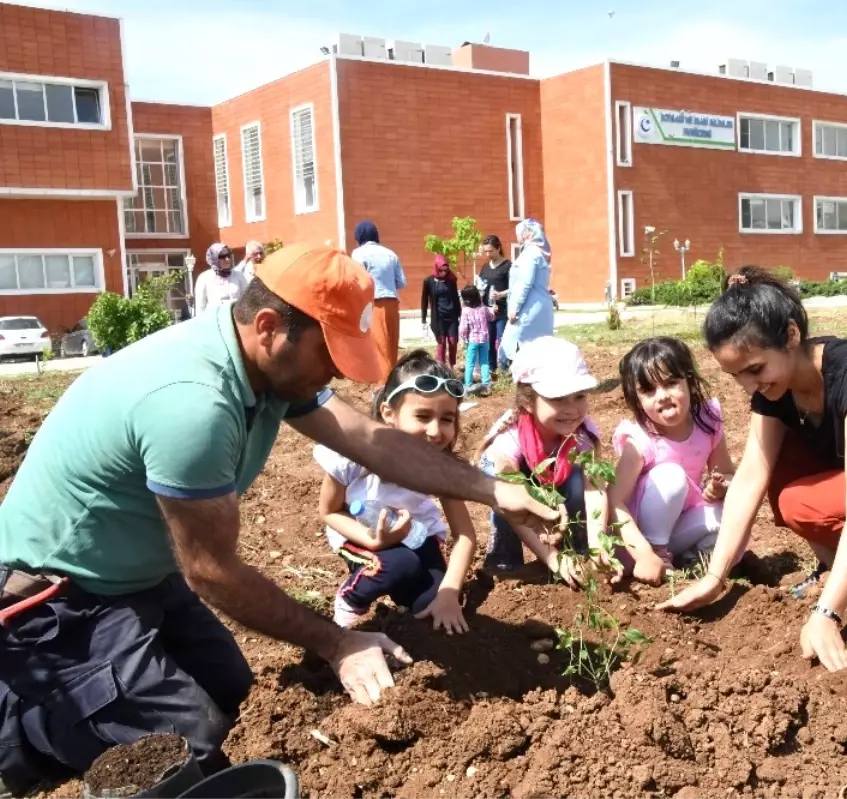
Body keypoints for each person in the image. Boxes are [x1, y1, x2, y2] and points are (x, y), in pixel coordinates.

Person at [0, 244, 558, 796]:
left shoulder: (264, 368)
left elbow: (372, 442)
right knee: (187, 749)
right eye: (330, 351)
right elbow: (212, 572)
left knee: (235, 695)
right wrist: (338, 643)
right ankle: (22, 728)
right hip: (56, 600)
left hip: (139, 573)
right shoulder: (194, 405)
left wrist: (490, 489)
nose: (339, 369)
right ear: (268, 326)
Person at [657, 267, 847, 674]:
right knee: (779, 468)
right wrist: (715, 576)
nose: (749, 386)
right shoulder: (778, 388)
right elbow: (750, 476)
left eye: (755, 369)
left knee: (802, 502)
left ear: (792, 335)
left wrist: (828, 613)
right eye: (736, 376)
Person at [317, 350, 477, 632]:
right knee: (399, 563)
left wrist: (449, 593)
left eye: (447, 419)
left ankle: (405, 598)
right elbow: (329, 511)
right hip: (363, 533)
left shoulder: (442, 469)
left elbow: (464, 535)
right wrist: (375, 540)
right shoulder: (354, 455)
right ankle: (350, 600)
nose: (435, 431)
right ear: (389, 414)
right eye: (423, 416)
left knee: (432, 604)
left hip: (417, 536)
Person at [479, 337, 615, 586]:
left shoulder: (581, 433)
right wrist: (551, 558)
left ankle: (579, 549)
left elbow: (594, 489)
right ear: (527, 402)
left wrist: (598, 542)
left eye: (579, 396)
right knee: (502, 502)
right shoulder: (511, 436)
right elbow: (512, 502)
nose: (572, 409)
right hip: (510, 484)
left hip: (554, 476)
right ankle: (504, 556)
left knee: (577, 483)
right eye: (559, 398)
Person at [610, 337, 734, 582]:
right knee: (671, 476)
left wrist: (721, 487)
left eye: (671, 383)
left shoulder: (707, 423)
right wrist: (644, 554)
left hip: (681, 527)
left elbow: (727, 472)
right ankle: (658, 556)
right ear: (636, 399)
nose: (662, 396)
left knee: (733, 516)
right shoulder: (640, 441)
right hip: (637, 543)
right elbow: (614, 502)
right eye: (649, 390)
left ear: (689, 380)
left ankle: (690, 560)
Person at [351, 221, 406, 372]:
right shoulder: (391, 254)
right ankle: (392, 382)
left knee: (378, 347)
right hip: (392, 303)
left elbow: (357, 281)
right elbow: (401, 282)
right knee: (391, 345)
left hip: (373, 304)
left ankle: (381, 386)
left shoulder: (358, 254)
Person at [499, 219, 555, 362]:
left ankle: (524, 381)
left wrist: (514, 309)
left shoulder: (530, 254)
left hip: (529, 308)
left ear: (526, 234)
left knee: (509, 350)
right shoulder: (540, 254)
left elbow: (525, 283)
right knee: (538, 350)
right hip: (541, 307)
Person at [477, 235, 512, 372]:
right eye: (485, 251)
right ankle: (491, 368)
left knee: (502, 339)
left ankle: (506, 366)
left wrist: (501, 294)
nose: (488, 254)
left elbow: (515, 287)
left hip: (502, 310)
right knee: (489, 340)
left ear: (498, 248)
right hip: (488, 310)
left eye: (490, 251)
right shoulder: (485, 267)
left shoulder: (508, 266)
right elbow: (481, 284)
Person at [421, 255, 461, 368]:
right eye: (441, 270)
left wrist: (460, 314)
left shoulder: (451, 280)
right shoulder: (429, 281)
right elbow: (424, 300)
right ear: (436, 268)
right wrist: (423, 318)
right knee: (441, 342)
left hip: (452, 316)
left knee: (453, 342)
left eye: (446, 270)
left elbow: (455, 298)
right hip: (438, 317)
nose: (443, 272)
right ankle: (441, 367)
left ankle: (452, 365)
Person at [459, 285, 495, 396]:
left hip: (472, 340)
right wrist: (493, 310)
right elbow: (491, 317)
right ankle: (486, 383)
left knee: (470, 363)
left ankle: (468, 385)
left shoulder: (466, 311)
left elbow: (463, 327)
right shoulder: (483, 308)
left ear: (467, 299)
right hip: (484, 339)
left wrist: (463, 339)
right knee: (484, 361)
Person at [194, 242, 248, 315]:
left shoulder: (239, 276)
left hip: (235, 320)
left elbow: (246, 302)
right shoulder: (204, 278)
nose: (227, 259)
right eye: (222, 257)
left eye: (228, 256)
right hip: (213, 322)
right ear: (214, 258)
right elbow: (200, 307)